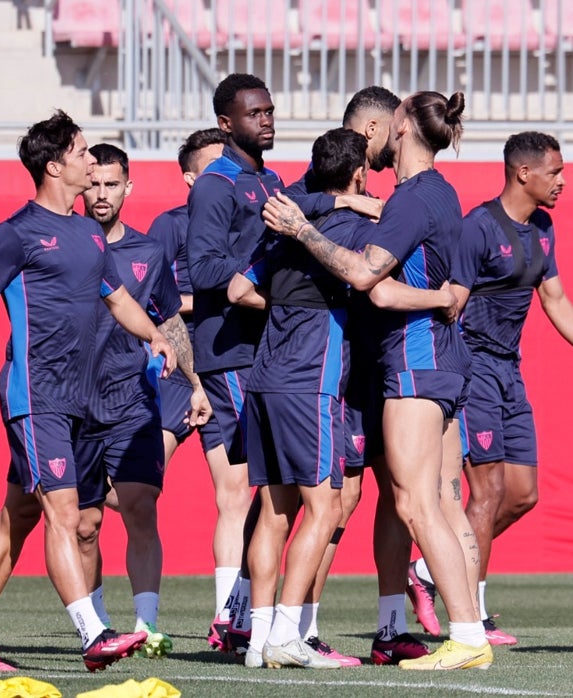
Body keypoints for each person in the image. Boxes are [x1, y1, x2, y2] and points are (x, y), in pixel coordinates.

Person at [0, 110, 175, 672]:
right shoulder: (16, 233)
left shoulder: (86, 232)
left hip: (79, 402)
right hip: (37, 397)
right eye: (83, 152)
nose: (92, 160)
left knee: (20, 514)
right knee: (63, 513)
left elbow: (116, 297)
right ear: (56, 166)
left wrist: (155, 334)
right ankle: (93, 634)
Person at [263, 91, 494, 671]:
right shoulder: (437, 194)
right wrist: (437, 295)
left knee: (418, 505)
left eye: (391, 118)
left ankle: (467, 636)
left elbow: (368, 277)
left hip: (416, 362)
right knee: (431, 501)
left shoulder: (415, 198)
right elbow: (411, 288)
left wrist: (302, 229)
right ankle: (462, 631)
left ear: (404, 127)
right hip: (435, 360)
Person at [186, 73, 380, 652]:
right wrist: (289, 292)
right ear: (226, 124)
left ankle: (252, 625)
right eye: (254, 113)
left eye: (270, 110)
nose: (266, 119)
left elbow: (297, 207)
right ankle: (260, 624)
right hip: (241, 349)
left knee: (274, 502)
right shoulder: (217, 186)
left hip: (267, 348)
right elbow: (203, 272)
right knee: (273, 496)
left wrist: (336, 201)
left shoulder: (269, 181)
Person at [407, 131, 573, 645]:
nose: (563, 181)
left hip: (509, 371)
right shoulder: (478, 228)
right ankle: (472, 614)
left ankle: (431, 572)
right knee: (488, 489)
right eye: (556, 171)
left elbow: (556, 299)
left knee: (522, 495)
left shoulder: (542, 228)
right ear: (524, 173)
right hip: (472, 367)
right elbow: (450, 300)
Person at [72, 143, 211, 659]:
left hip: (132, 399)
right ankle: (99, 627)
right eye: (95, 183)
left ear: (129, 187)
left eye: (113, 184)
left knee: (140, 507)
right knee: (86, 525)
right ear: (80, 184)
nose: (102, 193)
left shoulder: (150, 253)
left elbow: (169, 320)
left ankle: (146, 625)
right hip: (75, 403)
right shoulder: (62, 243)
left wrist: (195, 384)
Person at [145, 128, 239, 637]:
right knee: (130, 492)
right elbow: (152, 305)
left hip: (228, 372)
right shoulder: (169, 226)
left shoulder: (242, 219)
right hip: (181, 375)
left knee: (235, 492)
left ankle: (228, 616)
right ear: (189, 178)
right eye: (211, 169)